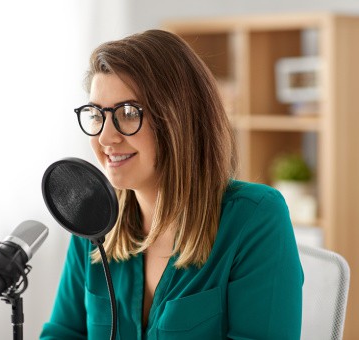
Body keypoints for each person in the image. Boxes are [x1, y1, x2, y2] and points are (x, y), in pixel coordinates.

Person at [40, 29, 303, 339]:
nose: (105, 138)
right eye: (96, 114)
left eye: (127, 113)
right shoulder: (94, 219)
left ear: (179, 118)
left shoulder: (255, 218)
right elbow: (63, 333)